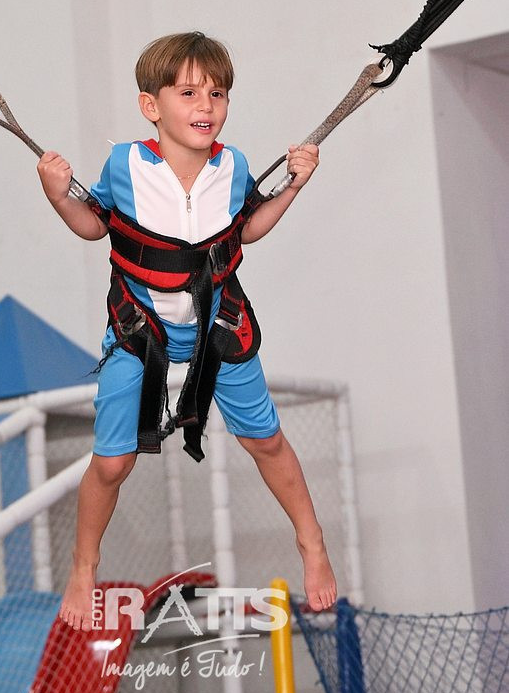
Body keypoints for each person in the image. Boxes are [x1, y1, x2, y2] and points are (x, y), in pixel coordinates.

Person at [37, 31, 337, 630]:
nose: (206, 106)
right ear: (151, 106)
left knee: (266, 441)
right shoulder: (126, 164)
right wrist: (56, 195)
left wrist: (294, 185)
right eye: (190, 93)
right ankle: (83, 563)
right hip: (140, 327)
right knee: (112, 464)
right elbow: (94, 226)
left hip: (218, 323)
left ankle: (312, 542)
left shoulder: (233, 166)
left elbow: (247, 229)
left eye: (217, 94)